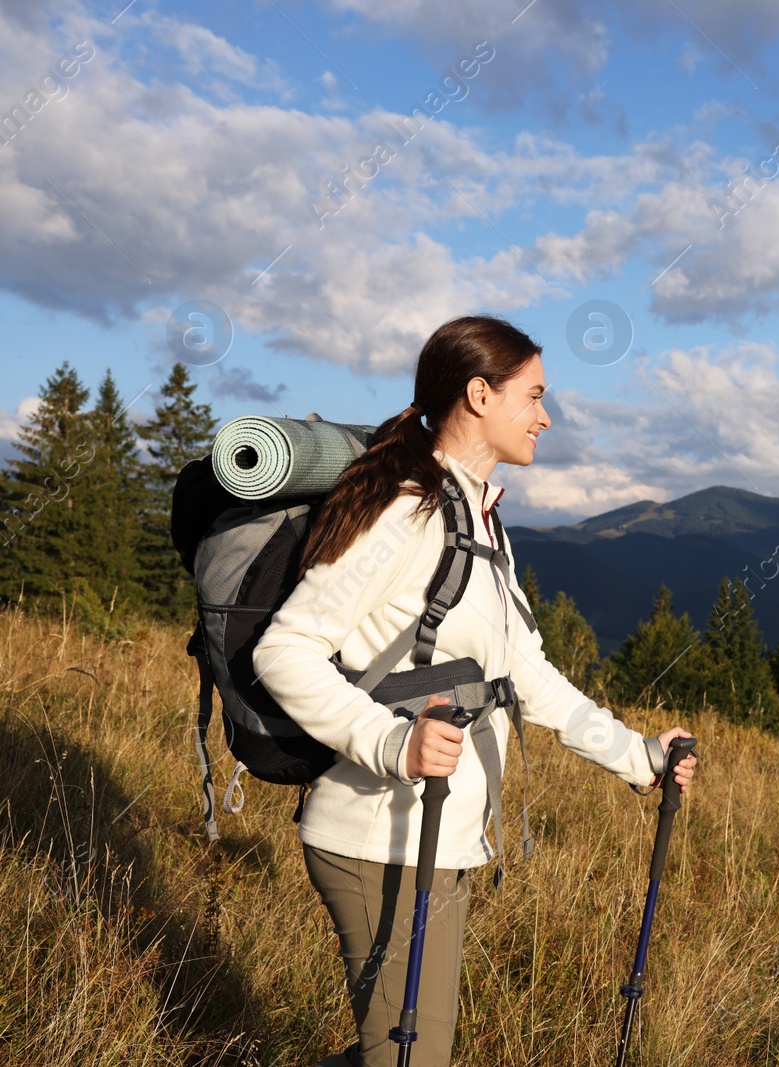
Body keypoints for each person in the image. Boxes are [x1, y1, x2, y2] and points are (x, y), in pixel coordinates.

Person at [254, 315, 697, 1067]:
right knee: (411, 1055)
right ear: (479, 394)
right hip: (378, 836)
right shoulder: (410, 510)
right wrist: (393, 742)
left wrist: (639, 756)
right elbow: (285, 649)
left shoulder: (478, 519)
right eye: (534, 395)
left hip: (441, 836)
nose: (546, 415)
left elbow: (524, 672)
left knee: (410, 1050)